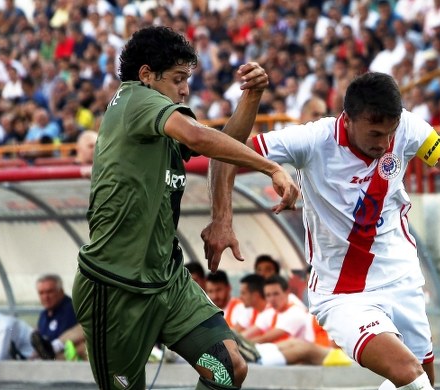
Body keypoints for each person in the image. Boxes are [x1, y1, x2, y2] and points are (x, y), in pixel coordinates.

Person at [204, 72, 440, 389]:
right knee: (411, 377)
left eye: (390, 134)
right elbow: (225, 153)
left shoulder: (408, 128)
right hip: (342, 294)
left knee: (422, 381)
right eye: (375, 133)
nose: (385, 143)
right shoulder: (313, 141)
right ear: (347, 120)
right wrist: (223, 218)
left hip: (403, 280)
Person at [71, 26, 298, 390]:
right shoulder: (134, 98)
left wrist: (251, 97)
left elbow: (221, 144)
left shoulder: (160, 121)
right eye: (178, 79)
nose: (185, 89)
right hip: (115, 289)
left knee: (228, 367)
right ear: (146, 75)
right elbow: (199, 137)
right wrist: (270, 167)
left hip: (169, 283)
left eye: (187, 79)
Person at [31, 274, 86, 361]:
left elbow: (85, 332)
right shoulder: (43, 315)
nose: (46, 297)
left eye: (50, 292)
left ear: (61, 291)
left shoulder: (74, 309)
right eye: (41, 293)